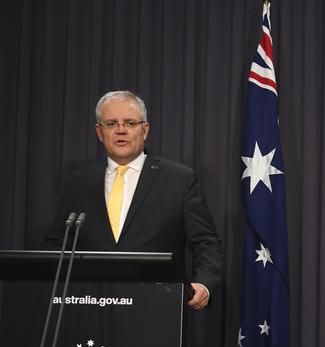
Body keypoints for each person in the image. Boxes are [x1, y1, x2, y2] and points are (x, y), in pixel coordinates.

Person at [43, 90, 222, 310]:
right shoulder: (78, 183)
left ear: (144, 130)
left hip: (157, 306)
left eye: (129, 123)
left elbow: (206, 242)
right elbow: (56, 245)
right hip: (90, 305)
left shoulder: (178, 179)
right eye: (111, 124)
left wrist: (204, 283)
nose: (120, 130)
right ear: (99, 132)